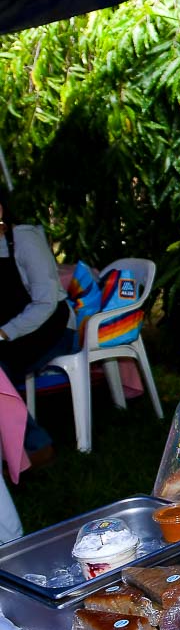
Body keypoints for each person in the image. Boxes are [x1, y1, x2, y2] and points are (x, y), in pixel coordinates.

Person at [0, 186, 75, 457]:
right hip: (11, 330)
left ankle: (34, 446)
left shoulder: (25, 239)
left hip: (51, 327)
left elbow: (46, 302)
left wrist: (5, 333)